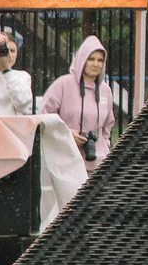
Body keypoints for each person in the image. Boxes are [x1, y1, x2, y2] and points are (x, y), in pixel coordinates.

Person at [39, 36, 120, 168]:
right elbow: (44, 118)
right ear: (82, 59)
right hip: (68, 161)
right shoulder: (63, 84)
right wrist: (67, 134)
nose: (96, 64)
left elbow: (107, 126)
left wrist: (104, 146)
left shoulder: (105, 90)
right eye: (91, 59)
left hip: (98, 162)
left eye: (100, 60)